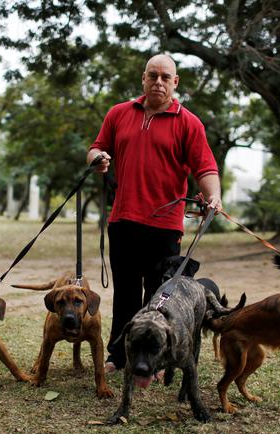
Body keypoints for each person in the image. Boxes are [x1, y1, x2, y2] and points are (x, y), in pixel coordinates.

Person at [86, 54, 222, 373]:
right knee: (127, 294)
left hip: (165, 226)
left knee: (160, 296)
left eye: (165, 77)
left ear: (175, 83)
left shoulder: (188, 122)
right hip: (123, 221)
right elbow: (96, 146)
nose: (158, 82)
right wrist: (97, 158)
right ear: (143, 79)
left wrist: (214, 196)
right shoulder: (119, 113)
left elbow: (206, 166)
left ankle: (157, 359)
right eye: (152, 76)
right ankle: (118, 355)